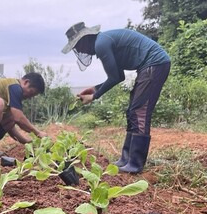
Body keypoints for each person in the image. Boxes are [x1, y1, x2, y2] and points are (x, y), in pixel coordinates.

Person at [62, 22, 170, 173]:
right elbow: (119, 76)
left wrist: (94, 97)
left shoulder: (102, 44)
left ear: (84, 40)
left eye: (77, 46)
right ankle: (126, 159)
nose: (78, 50)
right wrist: (94, 89)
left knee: (139, 111)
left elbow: (113, 78)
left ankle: (135, 163)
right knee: (132, 112)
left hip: (155, 63)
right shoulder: (104, 41)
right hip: (148, 66)